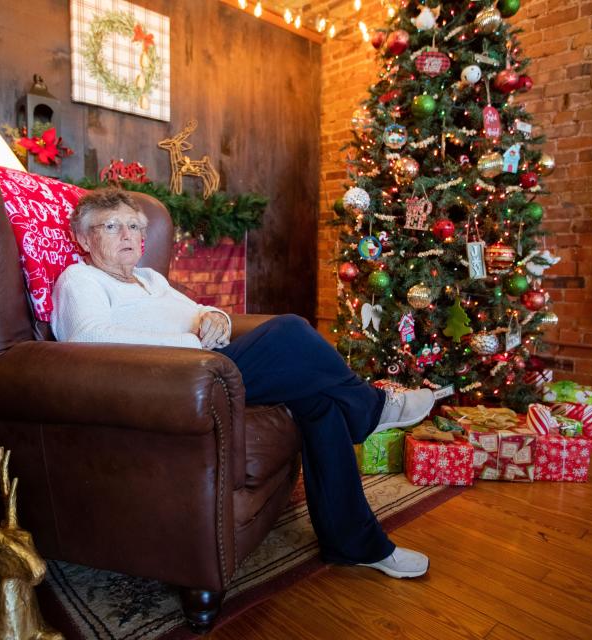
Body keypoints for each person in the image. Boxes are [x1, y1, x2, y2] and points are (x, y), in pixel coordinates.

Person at [51, 188, 436, 579]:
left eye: (134, 226)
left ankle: (354, 544)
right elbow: (88, 338)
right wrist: (190, 344)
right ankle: (371, 407)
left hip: (207, 368)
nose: (128, 235)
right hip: (169, 382)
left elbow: (198, 310)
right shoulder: (80, 279)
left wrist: (214, 318)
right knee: (289, 328)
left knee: (320, 404)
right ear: (84, 239)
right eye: (112, 226)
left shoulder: (151, 279)